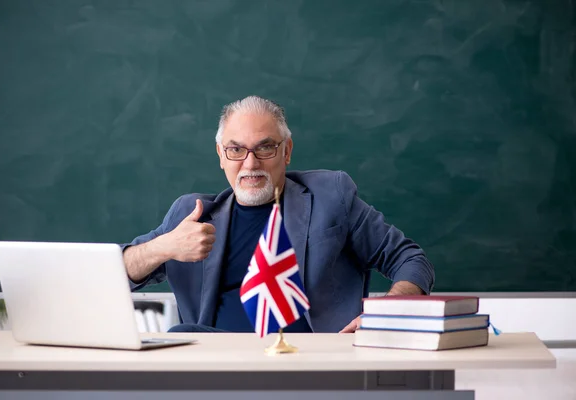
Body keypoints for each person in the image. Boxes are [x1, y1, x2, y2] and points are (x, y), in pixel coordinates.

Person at [121, 95, 435, 334]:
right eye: (235, 150)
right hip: (216, 370)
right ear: (221, 155)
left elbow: (410, 259)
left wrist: (386, 316)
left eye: (265, 148)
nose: (250, 162)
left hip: (313, 366)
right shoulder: (191, 214)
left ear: (286, 151)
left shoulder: (330, 196)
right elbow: (117, 273)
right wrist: (164, 246)